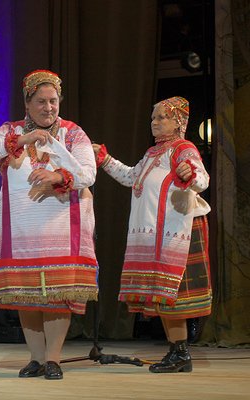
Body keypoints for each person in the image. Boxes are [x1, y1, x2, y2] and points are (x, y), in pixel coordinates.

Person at [0, 70, 98, 380]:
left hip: (61, 228)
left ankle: (53, 359)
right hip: (20, 230)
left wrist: (58, 176)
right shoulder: (10, 132)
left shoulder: (72, 133)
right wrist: (22, 139)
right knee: (26, 294)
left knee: (56, 295)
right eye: (41, 101)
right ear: (27, 103)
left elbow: (88, 174)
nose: (48, 107)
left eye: (53, 101)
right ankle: (36, 358)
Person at [93, 96, 211, 373]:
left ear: (179, 121)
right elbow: (131, 177)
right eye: (153, 118)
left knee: (173, 295)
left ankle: (180, 354)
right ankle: (178, 353)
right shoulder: (152, 154)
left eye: (161, 117)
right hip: (155, 234)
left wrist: (190, 174)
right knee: (163, 295)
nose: (154, 122)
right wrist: (105, 160)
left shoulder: (184, 149)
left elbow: (202, 179)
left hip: (176, 233)